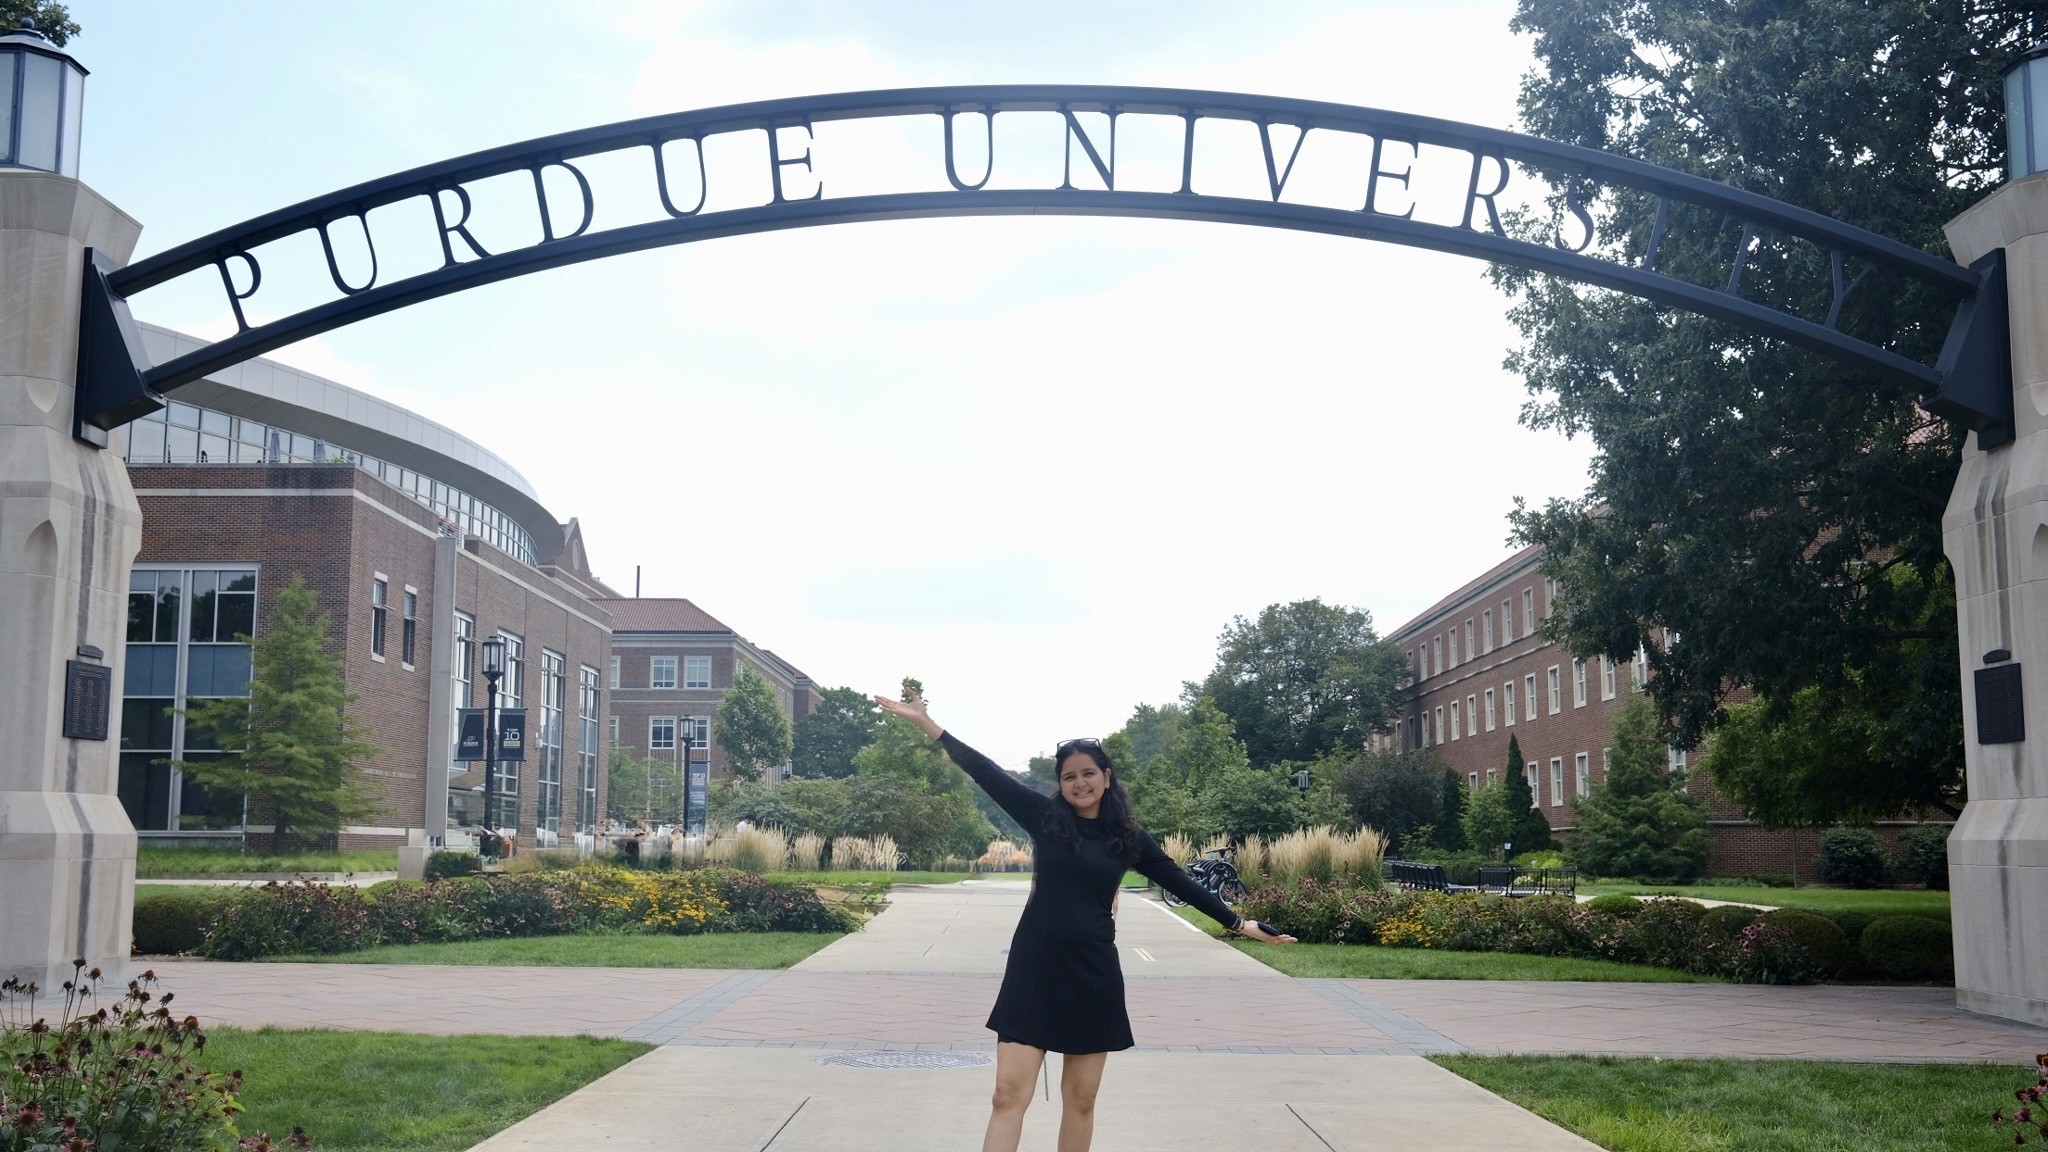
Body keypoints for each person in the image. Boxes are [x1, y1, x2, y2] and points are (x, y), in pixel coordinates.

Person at [874, 689, 1294, 1152]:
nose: (1080, 783)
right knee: (1006, 1095)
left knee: (1082, 1098)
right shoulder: (1045, 817)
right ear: (1060, 782)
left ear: (1107, 777)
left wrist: (1239, 924)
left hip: (1092, 972)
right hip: (1034, 967)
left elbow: (1180, 879)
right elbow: (985, 773)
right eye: (1069, 776)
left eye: (1088, 773)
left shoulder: (1127, 837)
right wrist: (930, 726)